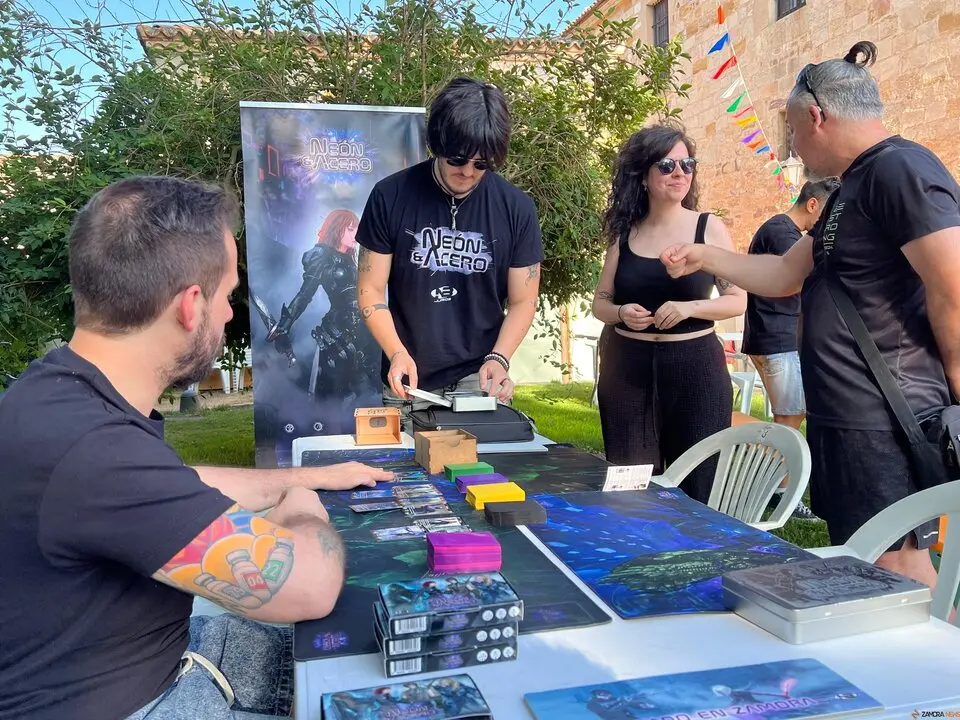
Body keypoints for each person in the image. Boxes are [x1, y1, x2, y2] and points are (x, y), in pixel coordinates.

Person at [0, 176, 393, 720]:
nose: (231, 314)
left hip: (137, 659)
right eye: (227, 295)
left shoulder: (59, 394)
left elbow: (176, 482)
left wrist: (306, 476)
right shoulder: (92, 450)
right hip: (140, 701)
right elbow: (310, 586)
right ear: (190, 305)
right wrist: (303, 507)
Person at [660, 41, 960, 588]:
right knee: (872, 563)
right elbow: (782, 276)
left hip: (883, 416)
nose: (793, 148)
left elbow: (953, 286)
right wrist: (704, 256)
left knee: (895, 567)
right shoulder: (854, 186)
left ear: (816, 115)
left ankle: (936, 670)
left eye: (793, 131)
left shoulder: (901, 169)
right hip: (848, 417)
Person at [355, 77, 543, 429]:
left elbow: (523, 299)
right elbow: (369, 288)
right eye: (458, 159)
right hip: (407, 380)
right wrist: (396, 353)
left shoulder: (517, 208)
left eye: (482, 164)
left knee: (482, 482)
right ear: (437, 143)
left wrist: (500, 359)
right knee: (407, 482)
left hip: (480, 378)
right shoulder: (390, 196)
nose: (468, 172)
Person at [591, 125, 747, 504]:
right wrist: (620, 312)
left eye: (687, 164)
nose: (679, 173)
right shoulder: (625, 233)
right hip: (627, 368)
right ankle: (636, 555)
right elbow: (600, 303)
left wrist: (690, 308)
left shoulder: (707, 227)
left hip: (696, 366)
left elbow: (737, 300)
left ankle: (698, 560)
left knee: (699, 482)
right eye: (666, 165)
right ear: (643, 176)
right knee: (630, 484)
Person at [742, 177, 840, 521]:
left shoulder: (780, 230)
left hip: (776, 337)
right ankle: (778, 494)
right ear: (813, 204)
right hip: (776, 338)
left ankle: (768, 489)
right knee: (788, 420)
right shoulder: (783, 233)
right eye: (826, 213)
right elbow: (803, 280)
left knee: (789, 417)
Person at [265, 208, 378, 404]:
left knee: (368, 390)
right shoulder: (321, 255)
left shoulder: (352, 258)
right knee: (334, 394)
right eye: (351, 229)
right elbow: (305, 294)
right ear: (337, 229)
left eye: (357, 229)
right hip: (338, 334)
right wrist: (284, 325)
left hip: (362, 331)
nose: (356, 235)